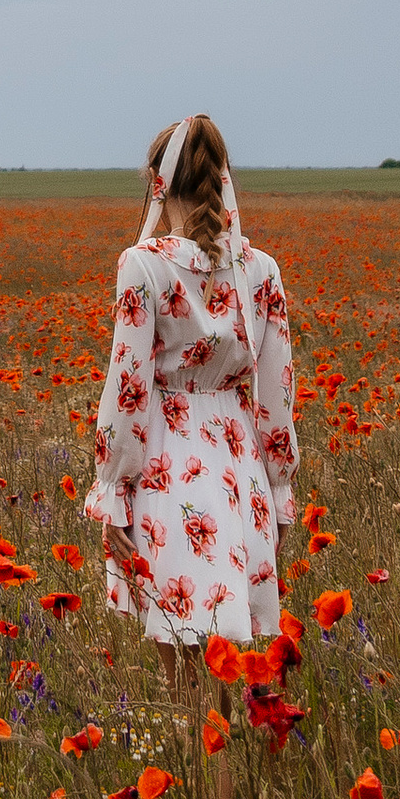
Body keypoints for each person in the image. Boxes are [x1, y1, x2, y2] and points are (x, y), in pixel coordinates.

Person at [87, 113, 296, 648]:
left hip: (166, 464)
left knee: (176, 643)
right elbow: (277, 395)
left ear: (159, 182)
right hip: (239, 464)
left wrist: (114, 491)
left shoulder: (143, 265)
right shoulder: (262, 269)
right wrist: (279, 487)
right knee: (235, 650)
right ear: (222, 177)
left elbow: (127, 389)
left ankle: (191, 732)